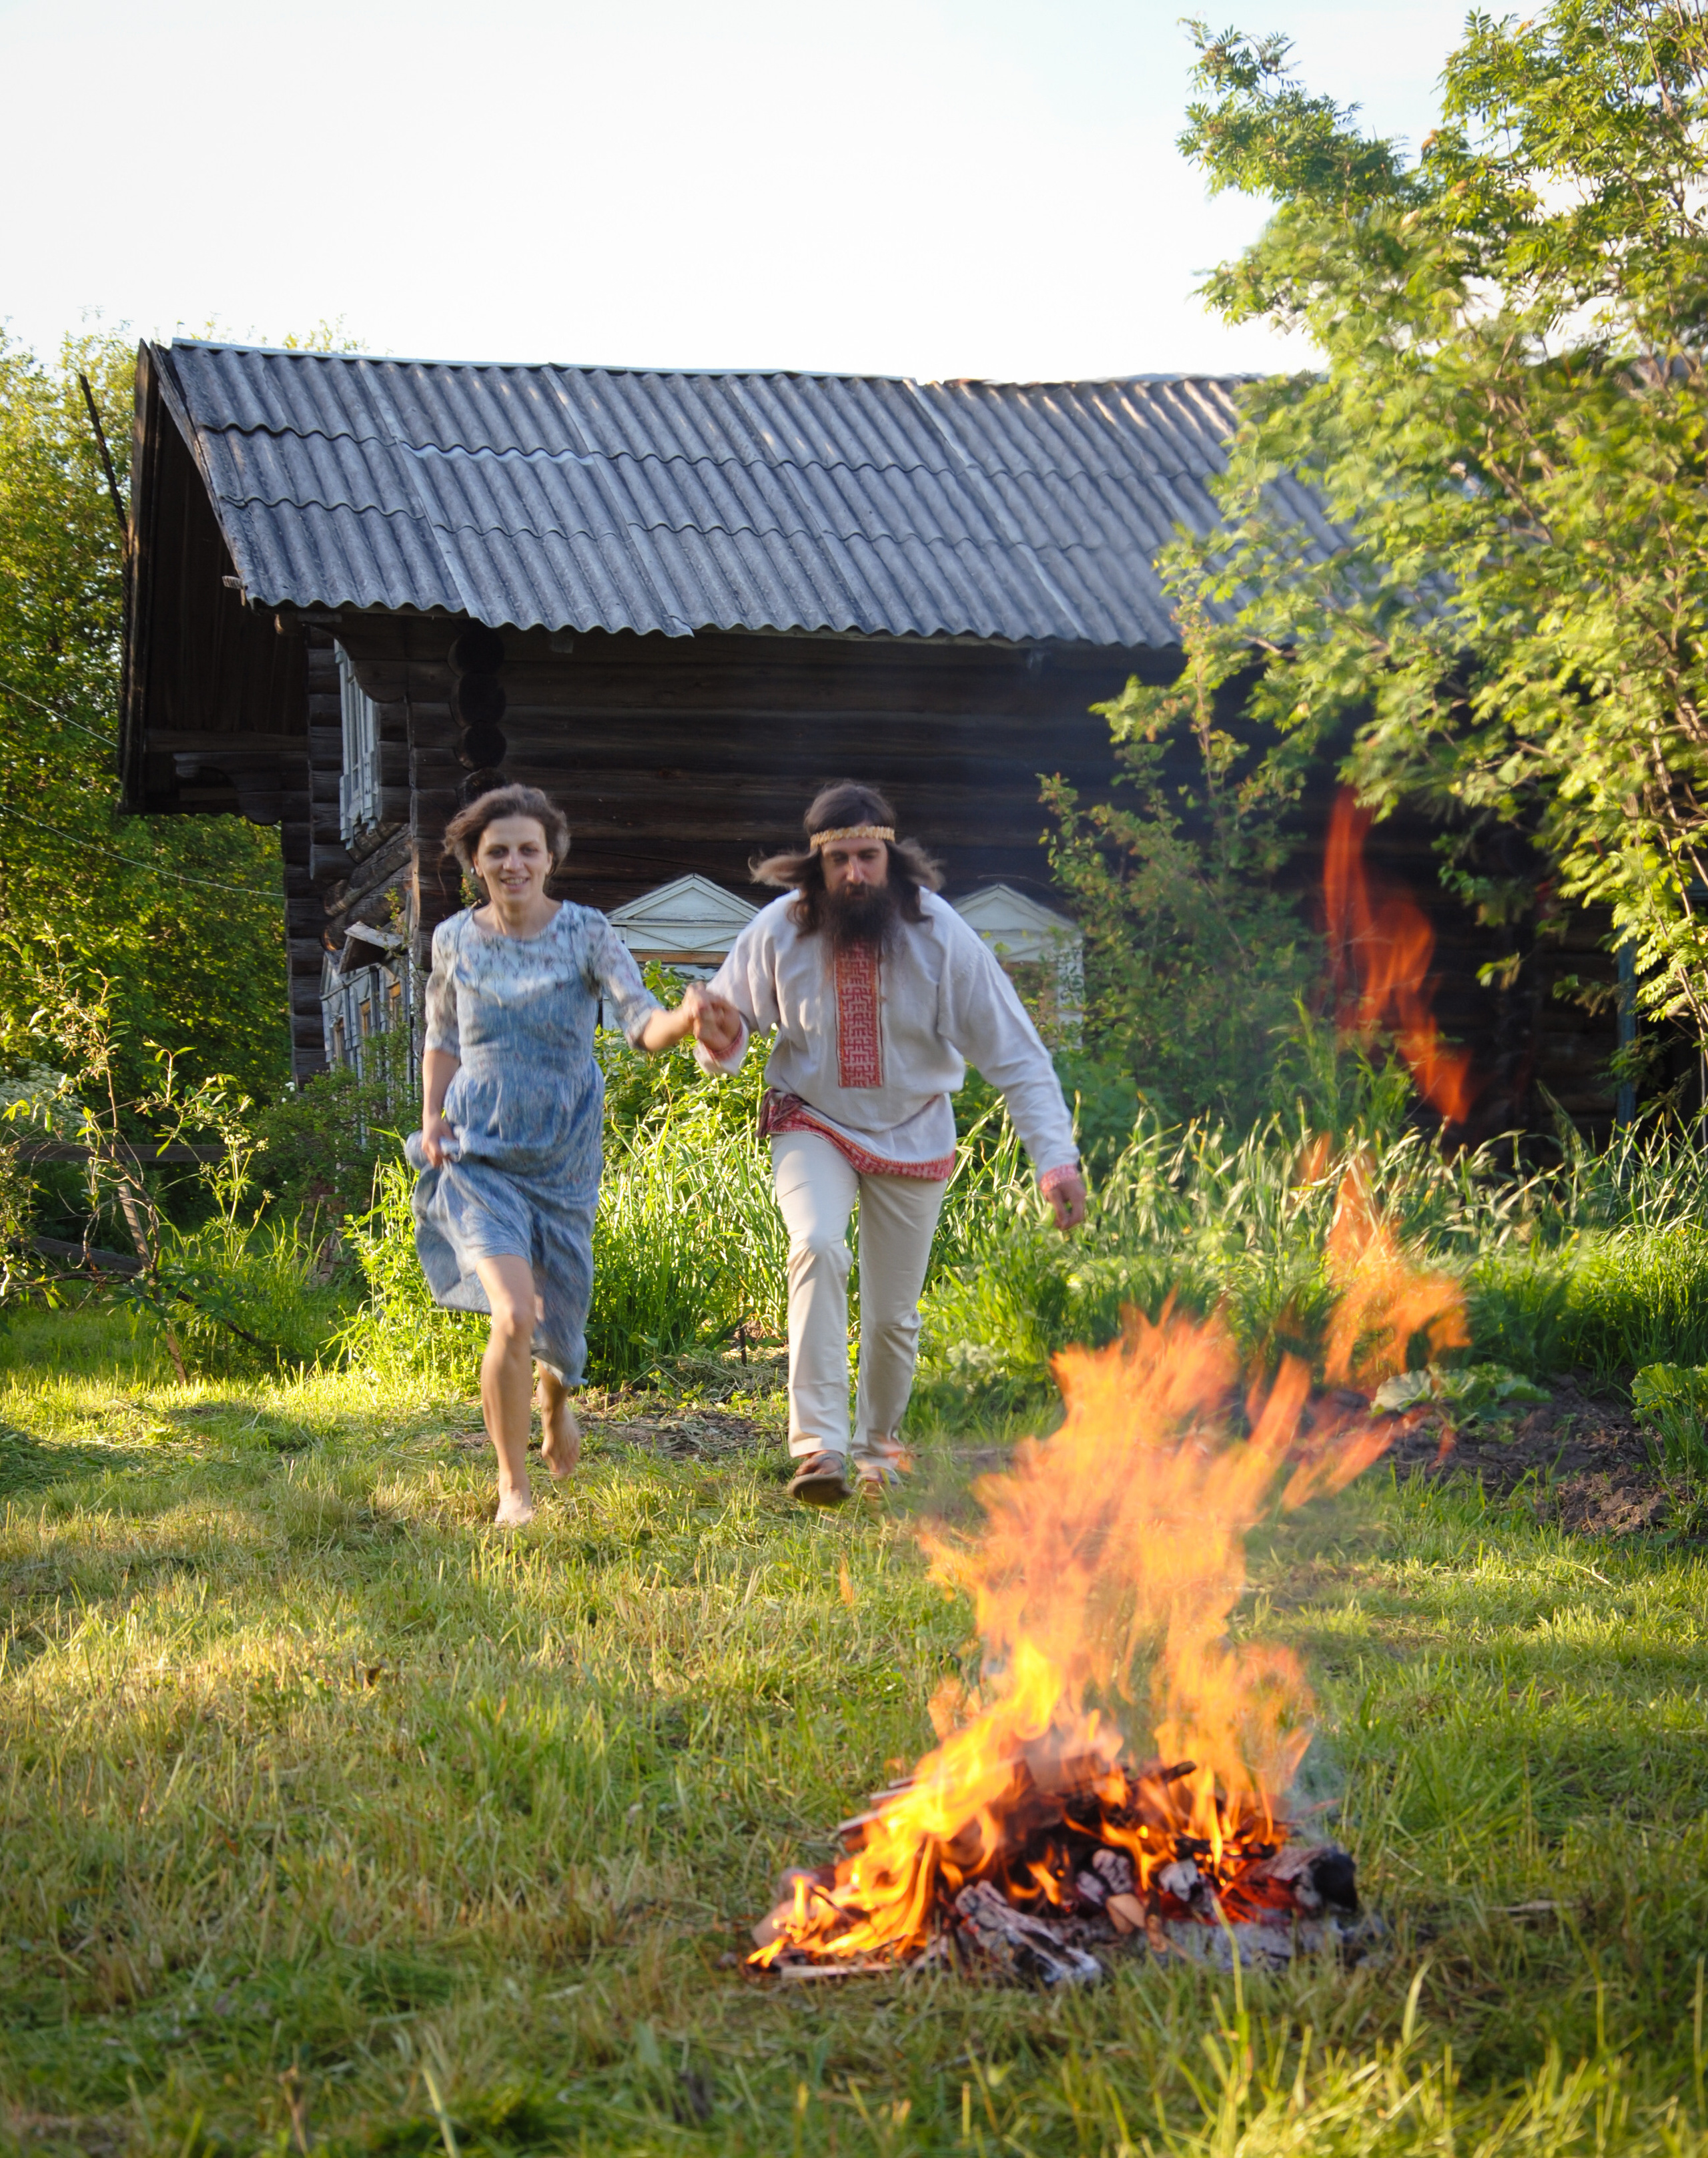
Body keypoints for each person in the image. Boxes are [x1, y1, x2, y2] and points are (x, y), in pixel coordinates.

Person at [694, 781, 1088, 1505]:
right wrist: (719, 1035)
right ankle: (819, 1449)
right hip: (811, 1117)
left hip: (914, 1129)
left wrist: (1055, 1160)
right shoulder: (780, 928)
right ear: (816, 865)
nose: (853, 875)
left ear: (890, 856)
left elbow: (1017, 1055)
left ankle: (879, 1448)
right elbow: (728, 1019)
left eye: (867, 858)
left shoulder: (939, 933)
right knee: (814, 1243)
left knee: (893, 1315)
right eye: (839, 859)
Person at [409, 784, 735, 1527]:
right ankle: (512, 1489)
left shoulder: (587, 932)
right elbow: (441, 1037)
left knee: (558, 1322)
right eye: (499, 851)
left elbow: (639, 1025)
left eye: (528, 848)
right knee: (514, 1313)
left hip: (562, 1156)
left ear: (551, 856)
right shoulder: (454, 939)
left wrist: (685, 1020)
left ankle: (557, 1399)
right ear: (476, 862)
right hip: (477, 1148)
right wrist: (431, 1117)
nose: (514, 862)